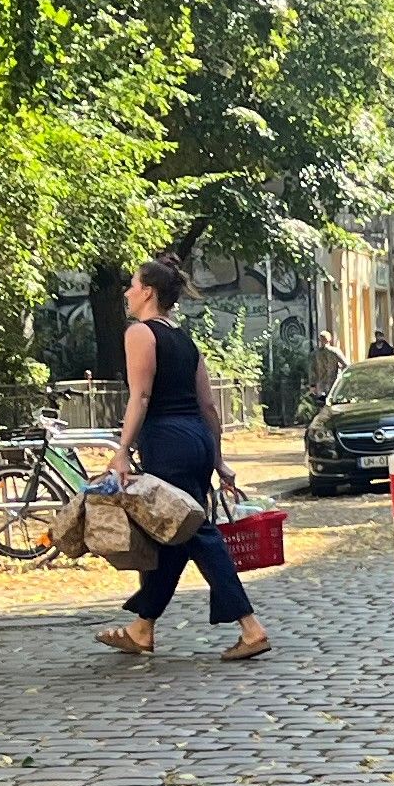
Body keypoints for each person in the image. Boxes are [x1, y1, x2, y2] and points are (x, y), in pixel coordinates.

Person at [99, 254, 268, 663]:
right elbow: (208, 406)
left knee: (195, 533)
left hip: (167, 441)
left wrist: (122, 451)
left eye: (133, 285)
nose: (127, 292)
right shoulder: (184, 338)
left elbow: (139, 396)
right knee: (170, 533)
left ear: (149, 293)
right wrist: (216, 459)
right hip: (193, 439)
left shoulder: (140, 333)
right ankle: (142, 628)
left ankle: (251, 627)